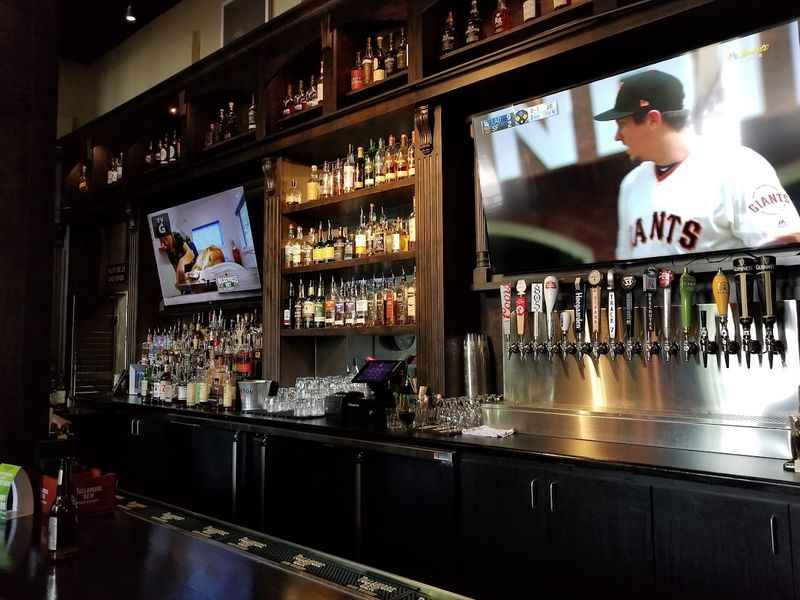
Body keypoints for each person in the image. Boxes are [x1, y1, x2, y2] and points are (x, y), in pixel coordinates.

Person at [593, 69, 800, 260]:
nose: (617, 136)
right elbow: (626, 268)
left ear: (652, 119)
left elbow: (786, 250)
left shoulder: (738, 166)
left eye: (622, 124)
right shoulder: (631, 185)